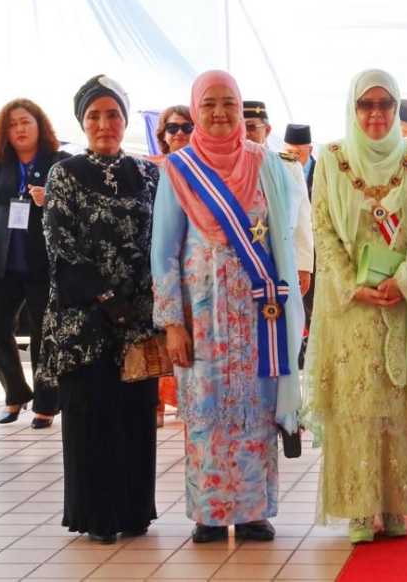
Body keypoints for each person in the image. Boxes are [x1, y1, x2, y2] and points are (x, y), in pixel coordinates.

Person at [151, 70, 304, 544]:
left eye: (229, 104)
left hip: (261, 314)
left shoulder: (268, 165)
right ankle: (209, 514)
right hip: (204, 316)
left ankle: (255, 510)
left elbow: (282, 238)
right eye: (210, 103)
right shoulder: (179, 168)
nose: (220, 113)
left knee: (257, 410)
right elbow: (162, 252)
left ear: (241, 110)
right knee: (207, 412)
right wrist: (173, 323)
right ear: (196, 109)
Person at [302, 69, 407, 544]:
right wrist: (349, 284)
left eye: (385, 104)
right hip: (353, 309)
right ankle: (360, 510)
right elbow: (321, 226)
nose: (377, 113)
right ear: (353, 108)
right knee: (357, 407)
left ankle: (397, 504)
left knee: (400, 404)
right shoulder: (331, 158)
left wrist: (404, 281)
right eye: (367, 104)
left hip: (401, 302)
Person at [39, 75, 160, 543]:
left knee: (133, 413)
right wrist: (109, 301)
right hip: (84, 320)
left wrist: (142, 303)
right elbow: (62, 248)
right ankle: (97, 517)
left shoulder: (149, 174)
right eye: (94, 116)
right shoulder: (65, 174)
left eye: (113, 114)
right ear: (82, 122)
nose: (104, 123)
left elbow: (161, 240)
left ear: (125, 120)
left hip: (139, 318)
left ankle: (133, 512)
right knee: (93, 416)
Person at [0, 99, 67, 429]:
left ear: (40, 126)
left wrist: (49, 198)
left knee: (43, 333)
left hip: (42, 260)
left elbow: (75, 207)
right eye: (12, 124)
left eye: (26, 122)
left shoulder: (59, 163)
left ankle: (46, 404)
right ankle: (16, 392)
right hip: (0, 261)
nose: (19, 129)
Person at [150, 105, 194, 427]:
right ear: (163, 135)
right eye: (172, 128)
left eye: (187, 127)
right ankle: (158, 405)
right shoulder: (152, 169)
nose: (179, 133)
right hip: (161, 267)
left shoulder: (209, 168)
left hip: (196, 276)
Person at [243, 103, 313, 300]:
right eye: (240, 127)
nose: (245, 133)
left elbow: (301, 217)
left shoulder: (287, 166)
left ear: (267, 130)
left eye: (251, 127)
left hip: (277, 255)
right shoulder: (224, 168)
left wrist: (304, 265)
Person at [283, 123, 317, 368]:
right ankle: (299, 353)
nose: (294, 157)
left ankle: (314, 352)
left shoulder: (321, 170)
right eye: (290, 152)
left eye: (299, 153)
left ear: (310, 149)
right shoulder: (280, 166)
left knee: (315, 306)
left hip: (318, 254)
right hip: (292, 251)